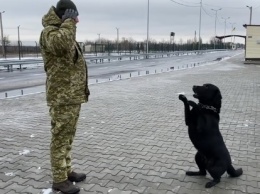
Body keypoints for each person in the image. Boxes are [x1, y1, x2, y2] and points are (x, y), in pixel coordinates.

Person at [39, 0, 90, 193]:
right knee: (60, 137)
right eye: (74, 16)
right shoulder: (50, 32)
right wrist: (68, 23)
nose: (77, 21)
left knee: (68, 137)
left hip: (71, 96)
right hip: (61, 97)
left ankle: (67, 171)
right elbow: (61, 45)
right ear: (65, 15)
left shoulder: (63, 30)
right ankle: (59, 179)